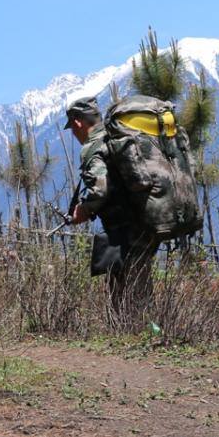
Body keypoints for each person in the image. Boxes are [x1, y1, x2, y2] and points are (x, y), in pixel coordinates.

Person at [64, 97, 158, 323]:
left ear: (78, 123)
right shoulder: (114, 138)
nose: (74, 135)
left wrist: (83, 210)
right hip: (145, 219)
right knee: (139, 282)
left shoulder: (93, 147)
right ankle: (148, 331)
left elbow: (101, 189)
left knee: (125, 286)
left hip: (124, 228)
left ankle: (137, 336)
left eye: (72, 129)